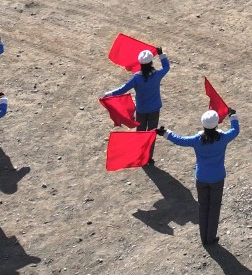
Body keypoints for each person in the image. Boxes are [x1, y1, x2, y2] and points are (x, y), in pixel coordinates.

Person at [161, 108, 239, 246]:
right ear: (216, 125)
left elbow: (180, 140)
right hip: (217, 178)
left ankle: (204, 238)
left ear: (203, 125)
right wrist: (232, 116)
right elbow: (235, 130)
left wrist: (165, 133)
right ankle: (211, 238)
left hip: (201, 178)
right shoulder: (223, 138)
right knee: (214, 208)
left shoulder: (197, 140)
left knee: (203, 207)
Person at [102, 47, 170, 134]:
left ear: (140, 63)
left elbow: (123, 89)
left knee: (140, 133)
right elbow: (166, 67)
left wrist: (109, 94)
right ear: (151, 62)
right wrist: (161, 54)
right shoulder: (157, 75)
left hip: (141, 109)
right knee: (151, 133)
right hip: (155, 108)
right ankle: (150, 147)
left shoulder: (136, 78)